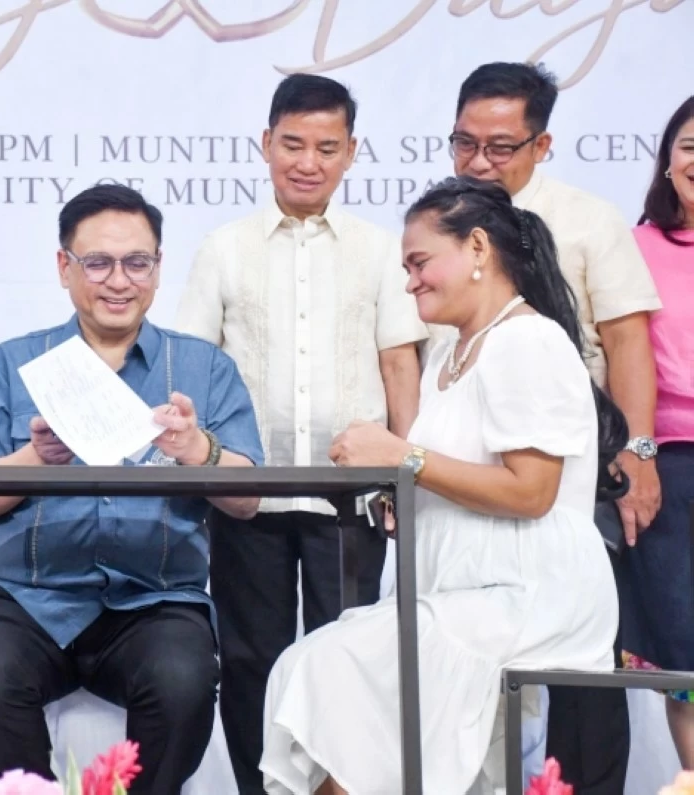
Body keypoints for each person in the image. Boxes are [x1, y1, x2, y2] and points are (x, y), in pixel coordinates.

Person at [260, 176, 626, 794]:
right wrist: (402, 491)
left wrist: (404, 459)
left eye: (420, 262)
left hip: (528, 593)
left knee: (332, 665)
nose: (409, 282)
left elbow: (532, 491)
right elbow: (450, 472)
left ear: (478, 248)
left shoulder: (528, 341)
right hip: (455, 589)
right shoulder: (449, 356)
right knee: (311, 665)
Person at [0, 183, 264, 795]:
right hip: (27, 598)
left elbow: (246, 499)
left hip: (156, 601)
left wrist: (198, 450)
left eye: (136, 263)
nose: (119, 281)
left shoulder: (203, 367)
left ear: (158, 268)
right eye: (98, 263)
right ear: (65, 268)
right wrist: (36, 457)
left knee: (184, 679)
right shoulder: (9, 364)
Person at [174, 73, 425, 795]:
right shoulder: (223, 249)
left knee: (346, 655)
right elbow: (193, 369)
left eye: (326, 147)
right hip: (248, 493)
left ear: (351, 153)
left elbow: (399, 366)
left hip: (351, 498)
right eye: (292, 144)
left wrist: (401, 474)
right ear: (265, 145)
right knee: (252, 657)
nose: (307, 162)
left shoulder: (379, 251)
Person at [450, 61, 661, 792]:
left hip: (573, 476)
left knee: (579, 655)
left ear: (542, 146)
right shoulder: (440, 226)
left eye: (500, 147)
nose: (479, 162)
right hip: (473, 484)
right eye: (464, 143)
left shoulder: (586, 220)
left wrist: (638, 450)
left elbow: (627, 339)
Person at [619, 95, 694, 767]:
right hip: (671, 465)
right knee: (687, 650)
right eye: (691, 145)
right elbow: (625, 358)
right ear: (668, 161)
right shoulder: (636, 246)